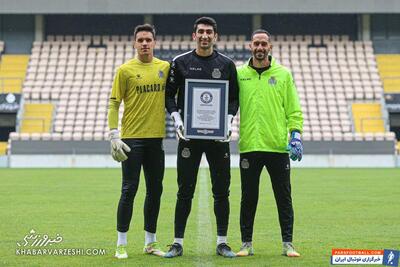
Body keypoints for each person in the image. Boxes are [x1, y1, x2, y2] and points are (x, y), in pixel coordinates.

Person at [164, 16, 239, 258]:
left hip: (218, 139)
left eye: (209, 32)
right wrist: (178, 120)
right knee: (184, 190)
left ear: (215, 36)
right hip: (190, 137)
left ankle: (222, 242)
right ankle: (177, 242)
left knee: (222, 190)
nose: (205, 35)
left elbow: (234, 98)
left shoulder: (227, 64)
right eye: (201, 32)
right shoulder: (180, 62)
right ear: (194, 35)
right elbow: (169, 96)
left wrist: (227, 122)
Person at [235, 29, 303, 257]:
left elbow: (293, 109)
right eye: (256, 43)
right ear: (250, 46)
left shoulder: (283, 74)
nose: (260, 47)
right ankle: (246, 243)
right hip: (249, 146)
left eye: (264, 44)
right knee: (248, 197)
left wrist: (295, 135)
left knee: (283, 197)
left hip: (276, 147)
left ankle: (288, 244)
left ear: (270, 47)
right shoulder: (240, 74)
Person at [107, 24, 170, 259]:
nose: (144, 43)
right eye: (140, 40)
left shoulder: (165, 67)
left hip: (156, 140)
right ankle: (121, 243)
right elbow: (114, 103)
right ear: (134, 43)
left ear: (155, 42)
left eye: (148, 39)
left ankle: (150, 243)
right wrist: (114, 134)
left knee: (155, 191)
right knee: (129, 190)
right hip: (132, 140)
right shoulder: (124, 70)